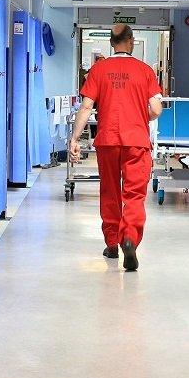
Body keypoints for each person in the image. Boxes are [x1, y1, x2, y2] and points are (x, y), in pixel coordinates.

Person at [69, 24, 163, 271]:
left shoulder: (99, 70)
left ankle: (112, 243)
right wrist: (140, 117)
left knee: (110, 191)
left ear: (112, 43)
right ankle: (129, 237)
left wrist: (75, 139)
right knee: (134, 194)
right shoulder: (145, 71)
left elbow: (86, 107)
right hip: (137, 141)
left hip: (108, 140)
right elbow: (156, 109)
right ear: (131, 41)